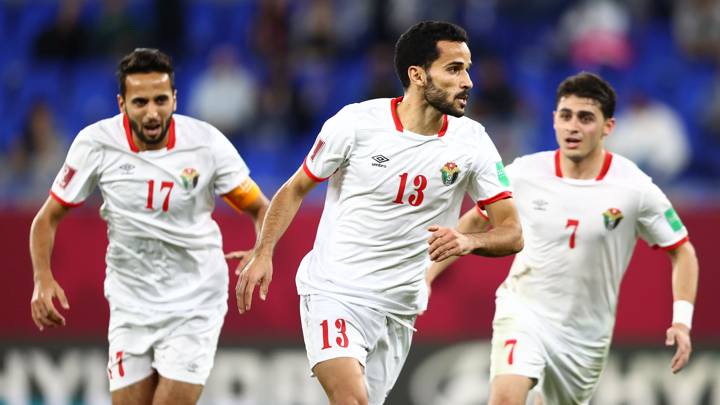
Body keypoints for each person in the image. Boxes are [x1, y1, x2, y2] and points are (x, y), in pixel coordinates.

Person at [236, 21, 524, 405]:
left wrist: (466, 241)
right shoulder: (356, 124)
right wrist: (264, 250)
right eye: (454, 69)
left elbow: (512, 232)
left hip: (399, 308)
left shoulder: (473, 143)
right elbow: (295, 188)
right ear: (418, 75)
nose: (468, 81)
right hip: (335, 291)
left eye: (467, 69)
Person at [427, 72, 699, 405]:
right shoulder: (524, 174)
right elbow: (474, 222)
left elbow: (682, 251)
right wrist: (426, 277)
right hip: (525, 311)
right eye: (565, 116)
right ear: (554, 120)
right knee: (505, 399)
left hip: (586, 337)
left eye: (585, 118)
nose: (573, 127)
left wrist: (682, 322)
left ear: (608, 127)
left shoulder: (634, 188)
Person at [29, 48, 269, 405]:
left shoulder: (206, 144)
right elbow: (47, 218)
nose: (152, 112)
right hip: (130, 302)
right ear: (122, 104)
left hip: (195, 299)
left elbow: (259, 207)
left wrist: (263, 251)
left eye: (161, 99)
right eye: (140, 102)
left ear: (175, 98)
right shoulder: (96, 143)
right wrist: (42, 278)